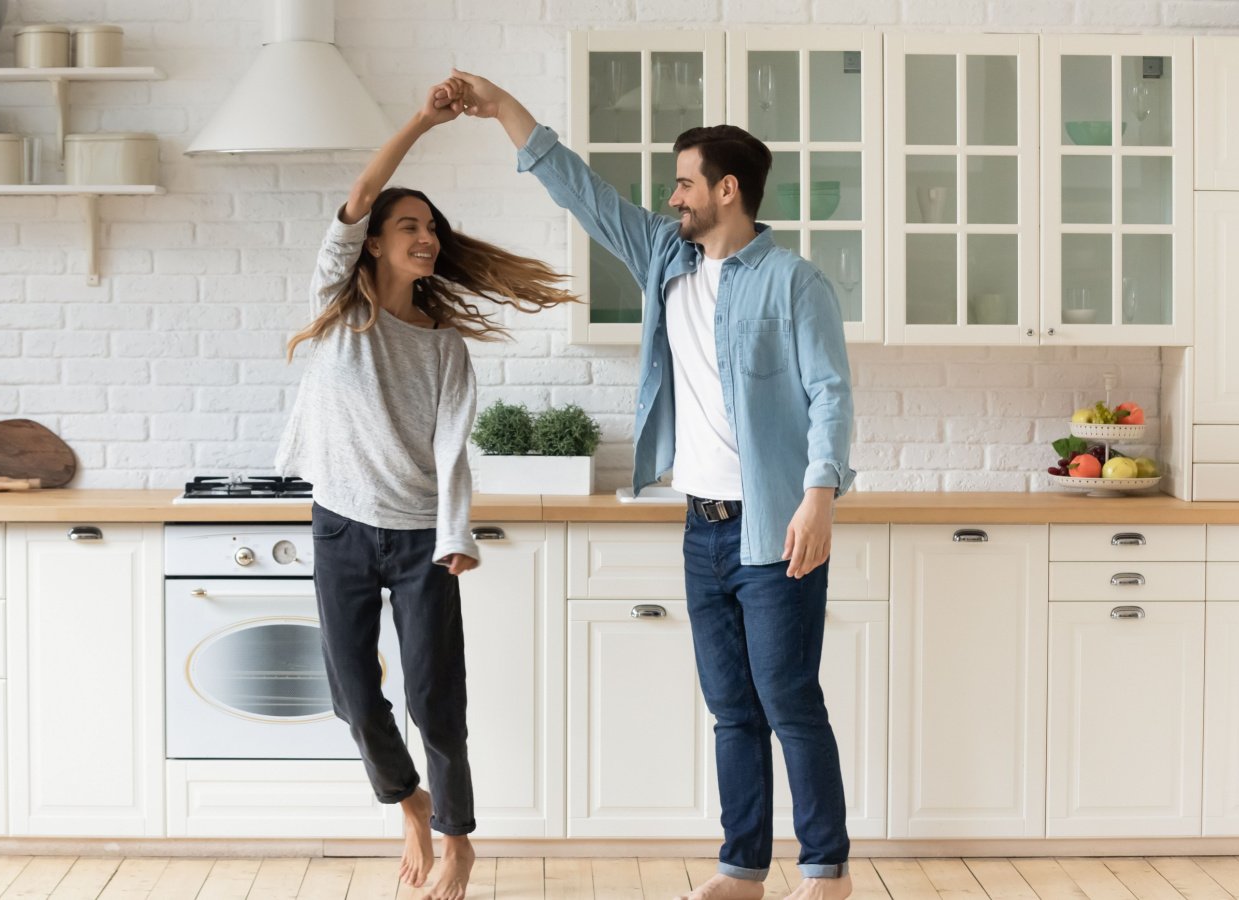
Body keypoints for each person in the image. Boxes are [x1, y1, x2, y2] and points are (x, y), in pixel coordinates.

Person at [449, 70, 857, 900]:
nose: (672, 197)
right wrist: (501, 109)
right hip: (701, 527)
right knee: (731, 710)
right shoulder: (667, 258)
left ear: (727, 190)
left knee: (789, 702)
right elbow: (581, 191)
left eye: (684, 181)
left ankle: (827, 870)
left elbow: (832, 394)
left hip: (774, 524)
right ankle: (742, 867)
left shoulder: (794, 283)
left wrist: (820, 496)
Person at [275, 77, 577, 900]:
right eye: (409, 225)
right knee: (351, 693)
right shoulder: (340, 307)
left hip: (417, 539)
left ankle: (457, 839)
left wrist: (456, 533)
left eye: (432, 228)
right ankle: (407, 799)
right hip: (340, 524)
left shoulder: (444, 348)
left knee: (435, 697)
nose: (426, 236)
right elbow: (365, 191)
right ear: (372, 243)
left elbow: (452, 451)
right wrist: (425, 119)